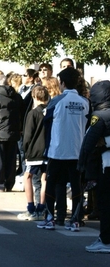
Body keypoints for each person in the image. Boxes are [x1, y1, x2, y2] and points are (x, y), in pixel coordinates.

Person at [37, 67, 90, 231]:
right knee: (76, 186)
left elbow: (46, 122)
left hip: (58, 150)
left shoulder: (57, 101)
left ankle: (50, 218)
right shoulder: (85, 102)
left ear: (63, 82)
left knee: (51, 184)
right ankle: (75, 220)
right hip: (77, 150)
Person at [78, 80, 110, 253]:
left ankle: (106, 240)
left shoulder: (100, 116)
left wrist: (81, 165)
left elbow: (88, 144)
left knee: (105, 204)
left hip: (106, 165)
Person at [17, 85, 49, 220]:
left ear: (34, 97)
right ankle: (42, 208)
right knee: (44, 179)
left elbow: (28, 135)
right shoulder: (51, 111)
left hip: (34, 151)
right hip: (48, 150)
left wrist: (25, 150)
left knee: (27, 176)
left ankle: (31, 208)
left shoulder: (33, 113)